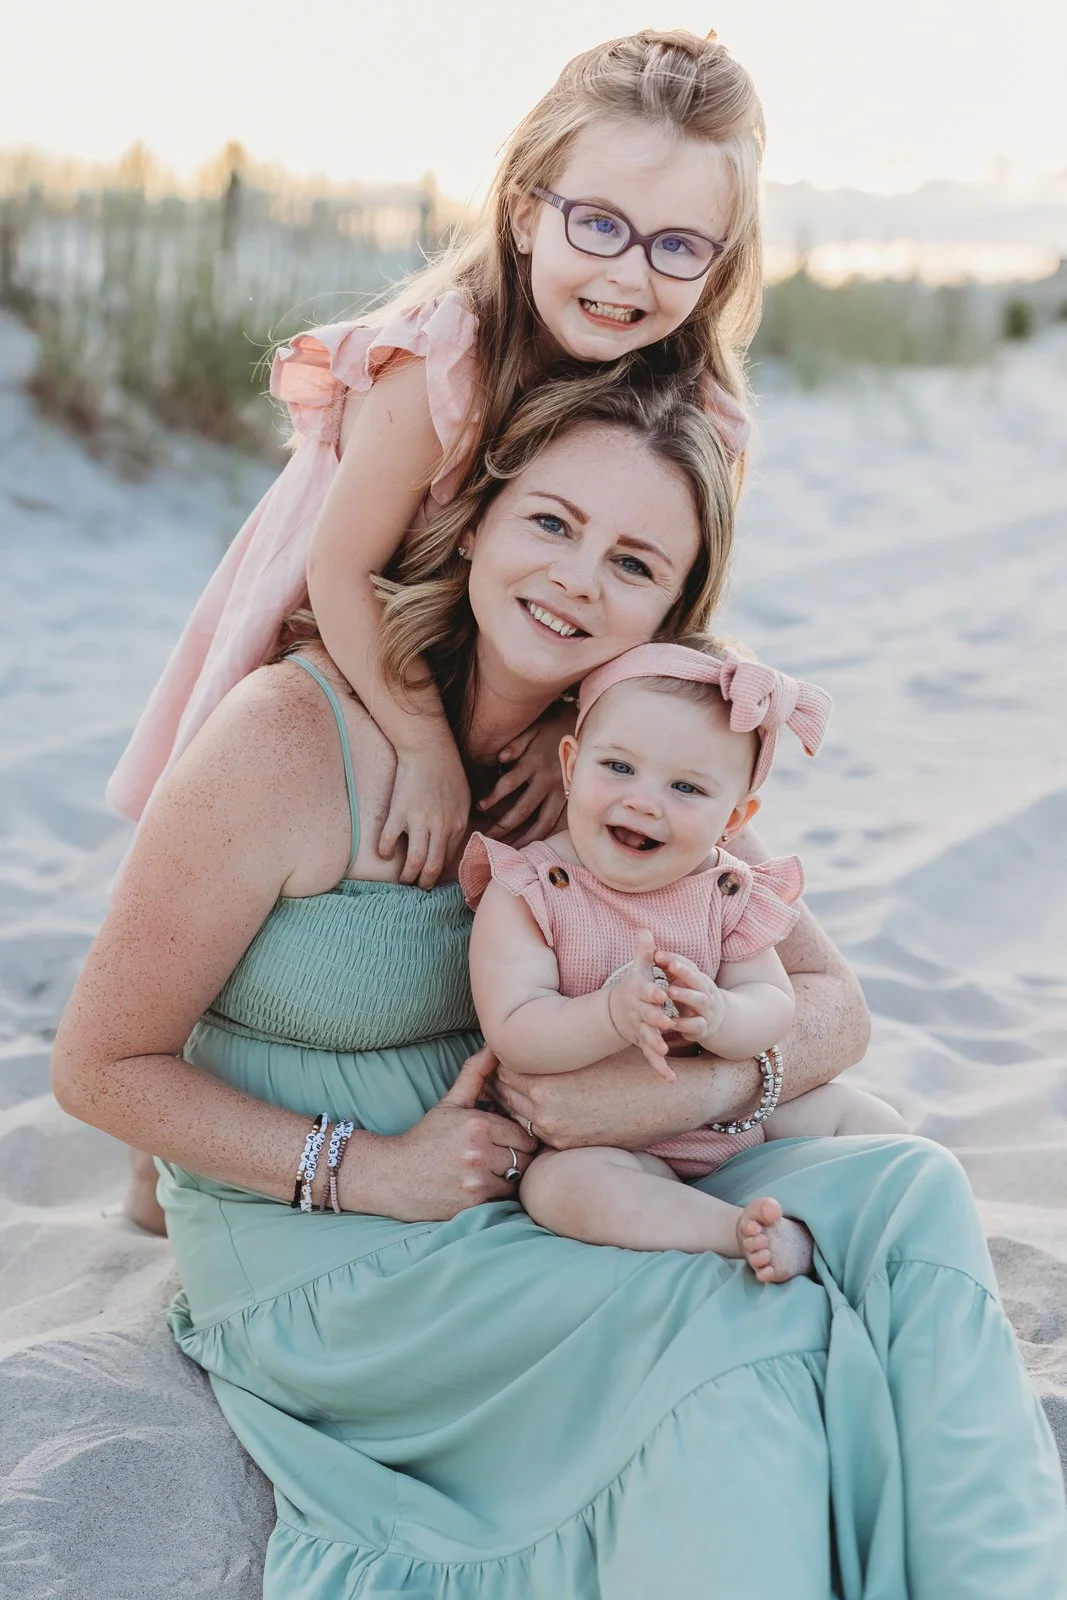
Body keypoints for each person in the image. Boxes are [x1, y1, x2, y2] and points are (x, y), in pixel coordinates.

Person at [53, 381, 1067, 1598]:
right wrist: (367, 1168)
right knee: (748, 1337)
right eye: (551, 523)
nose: (579, 578)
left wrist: (648, 1099)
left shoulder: (630, 767)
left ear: (667, 614)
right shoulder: (285, 736)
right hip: (338, 1245)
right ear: (477, 520)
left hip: (543, 1187)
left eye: (632, 562)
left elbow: (833, 1011)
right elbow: (97, 1064)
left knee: (910, 1190)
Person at [106, 27, 764, 892]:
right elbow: (339, 570)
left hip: (507, 675)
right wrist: (421, 747)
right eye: (598, 225)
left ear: (718, 266)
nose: (629, 278)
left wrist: (569, 714)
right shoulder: (441, 364)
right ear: (527, 214)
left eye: (677, 245)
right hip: (356, 642)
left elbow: (656, 606)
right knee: (259, 865)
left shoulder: (697, 416)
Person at [461, 639, 908, 1282]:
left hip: (734, 1123)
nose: (645, 801)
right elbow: (517, 1029)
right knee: (560, 1188)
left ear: (736, 818)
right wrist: (609, 1015)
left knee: (864, 1118)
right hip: (611, 1146)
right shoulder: (531, 890)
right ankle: (733, 1231)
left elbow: (773, 1003)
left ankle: (904, 1220)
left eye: (686, 787)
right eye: (618, 767)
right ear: (570, 764)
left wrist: (724, 1015)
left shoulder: (729, 891)